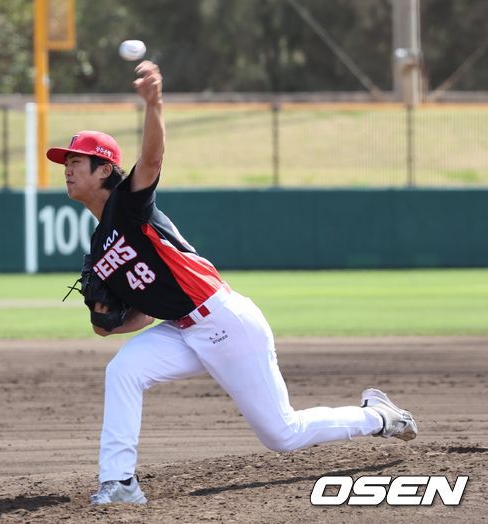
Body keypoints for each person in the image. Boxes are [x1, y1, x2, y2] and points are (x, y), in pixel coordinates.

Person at [46, 61, 417, 506]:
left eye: (75, 161)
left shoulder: (128, 206)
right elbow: (136, 315)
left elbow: (153, 159)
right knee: (124, 370)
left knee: (282, 434)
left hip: (225, 322)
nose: (67, 169)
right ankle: (120, 483)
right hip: (182, 328)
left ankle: (378, 416)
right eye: (65, 163)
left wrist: (154, 104)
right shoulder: (99, 246)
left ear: (104, 169)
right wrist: (107, 323)